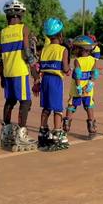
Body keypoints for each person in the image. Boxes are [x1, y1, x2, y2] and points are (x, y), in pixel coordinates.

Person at [0, 0, 38, 151]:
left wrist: (2, 76)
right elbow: (27, 52)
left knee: (10, 101)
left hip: (8, 71)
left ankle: (6, 132)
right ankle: (21, 134)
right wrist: (34, 71)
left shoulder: (2, 32)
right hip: (19, 71)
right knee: (25, 102)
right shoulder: (24, 29)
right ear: (20, 15)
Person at [38, 18, 70, 150]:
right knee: (57, 108)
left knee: (46, 107)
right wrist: (68, 70)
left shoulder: (44, 50)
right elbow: (66, 68)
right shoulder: (63, 50)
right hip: (56, 81)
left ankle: (43, 131)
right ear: (61, 34)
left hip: (45, 80)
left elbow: (40, 66)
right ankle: (57, 133)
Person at [63, 35, 99, 139]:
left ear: (81, 49)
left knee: (71, 106)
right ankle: (92, 129)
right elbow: (94, 73)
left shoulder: (77, 60)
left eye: (77, 48)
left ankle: (66, 127)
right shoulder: (93, 60)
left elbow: (77, 73)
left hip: (76, 89)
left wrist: (79, 87)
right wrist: (90, 84)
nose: (75, 50)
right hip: (88, 89)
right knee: (89, 107)